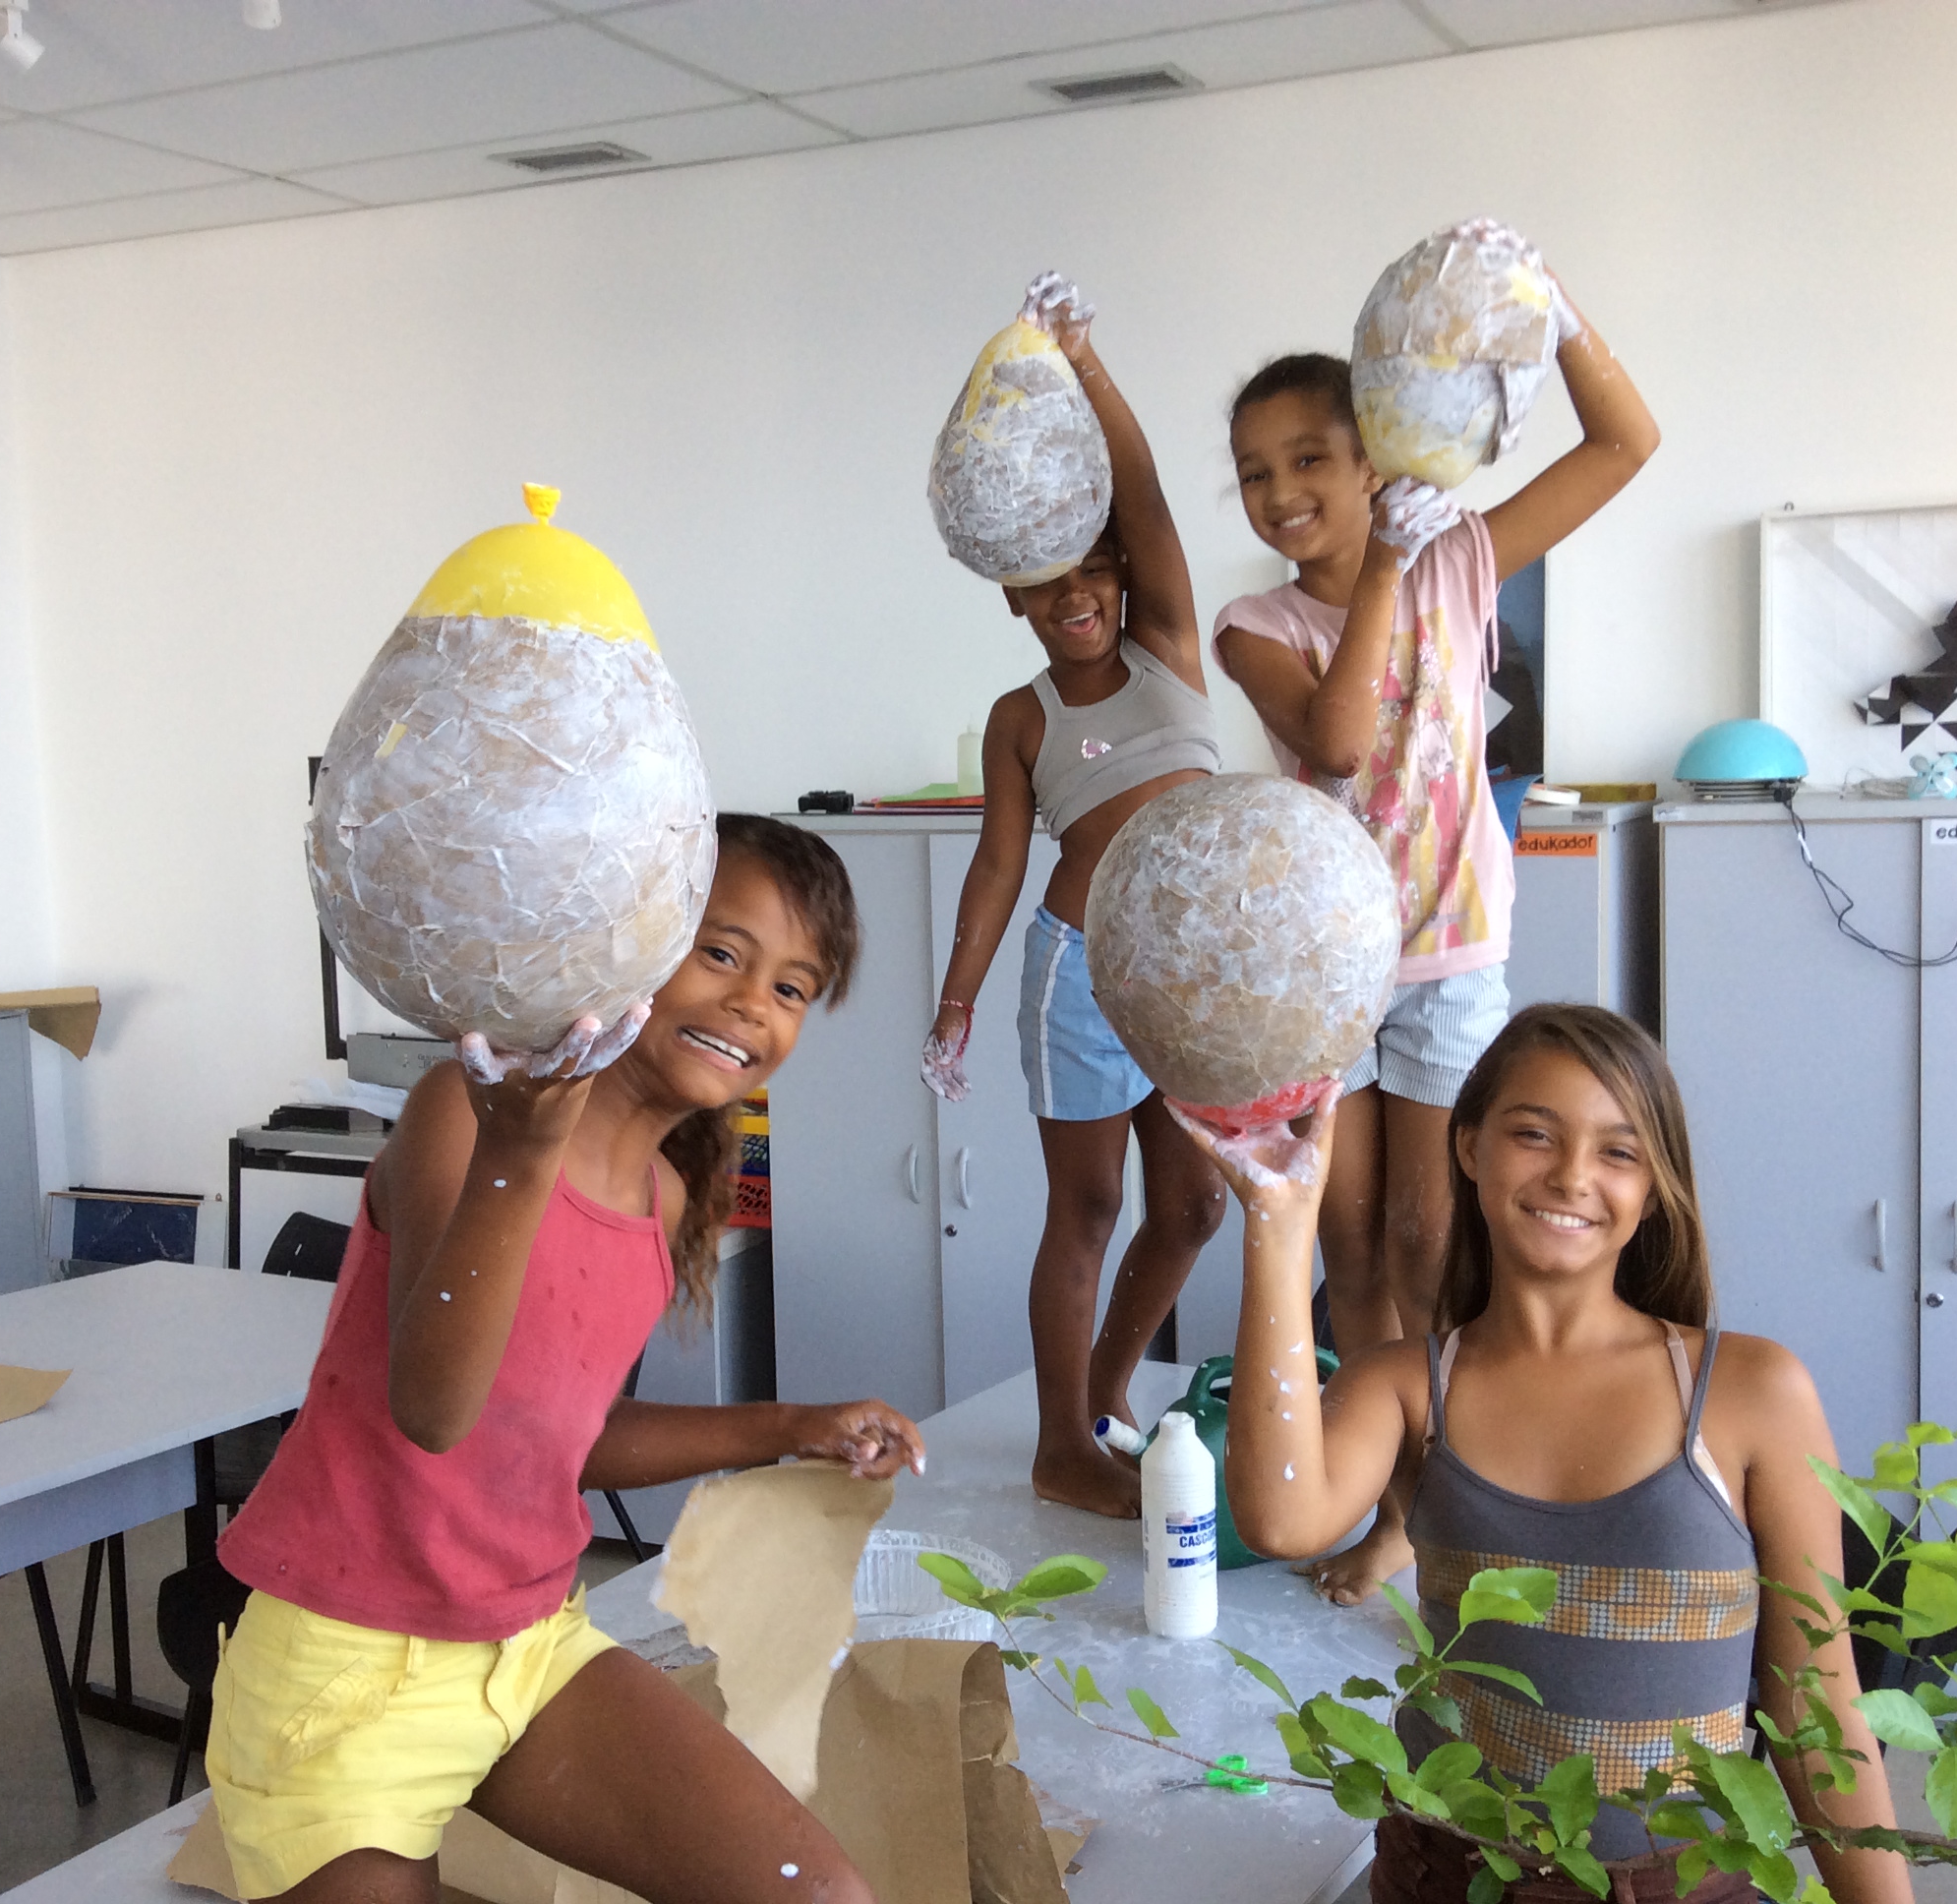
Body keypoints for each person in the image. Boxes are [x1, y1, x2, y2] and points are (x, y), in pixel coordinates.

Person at [208, 813, 920, 1904]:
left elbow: (562, 1439)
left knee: (819, 1895)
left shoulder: (662, 1197)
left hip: (529, 1646)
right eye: (719, 952)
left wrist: (792, 1426)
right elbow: (434, 1409)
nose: (751, 1003)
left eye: (792, 987)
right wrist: (520, 1154)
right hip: (346, 1664)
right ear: (628, 944)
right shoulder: (464, 1113)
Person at [1186, 1005, 1910, 1904]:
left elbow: (1816, 1709)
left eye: (1619, 1152)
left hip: (1680, 1889)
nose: (1571, 1175)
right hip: (1446, 1878)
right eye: (1534, 1134)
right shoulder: (1408, 1388)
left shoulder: (1751, 1391)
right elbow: (1278, 1517)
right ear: (1468, 1148)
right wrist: (1279, 1220)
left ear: (1654, 1187)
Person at [1215, 265, 1659, 1598]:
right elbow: (1341, 739)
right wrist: (1387, 565)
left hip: (1453, 962)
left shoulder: (1464, 559)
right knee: (1350, 1254)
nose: (1281, 491)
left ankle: (1452, 1506)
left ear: (1375, 457)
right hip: (1331, 976)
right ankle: (1394, 1503)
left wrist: (1553, 311)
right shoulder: (1255, 624)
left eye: (1311, 457)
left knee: (1431, 1243)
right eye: (1253, 473)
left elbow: (1626, 442)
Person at [920, 272, 1227, 1519]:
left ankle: (1102, 1397)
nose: (1079, 596)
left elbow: (1142, 494)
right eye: (1049, 584)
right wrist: (954, 1003)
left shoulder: (1169, 648)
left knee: (1195, 1204)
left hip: (1188, 978)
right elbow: (999, 865)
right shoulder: (1023, 716)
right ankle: (1061, 1444)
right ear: (1013, 594)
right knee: (1091, 1204)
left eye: (1095, 571)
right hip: (1079, 972)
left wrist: (1086, 360)